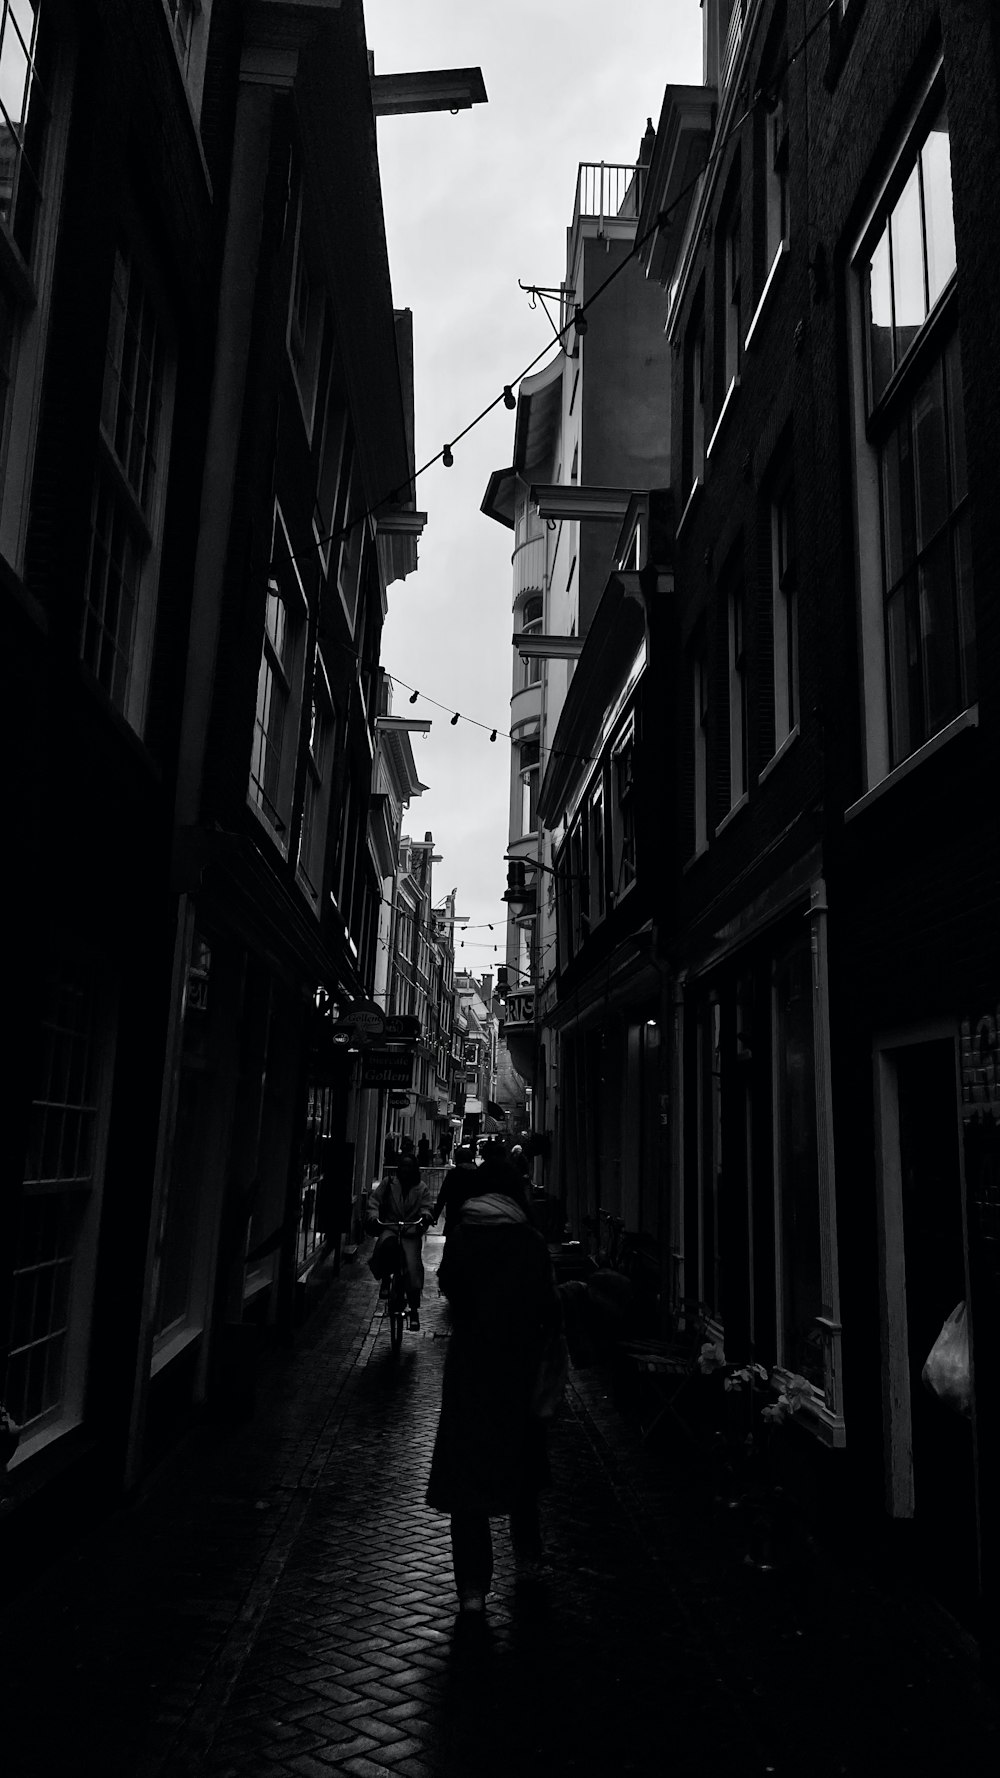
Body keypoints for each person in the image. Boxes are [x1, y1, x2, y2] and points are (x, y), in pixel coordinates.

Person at [427, 1186, 563, 1615]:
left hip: (470, 1368)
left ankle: (471, 1588)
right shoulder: (530, 1242)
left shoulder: (466, 1235)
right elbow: (548, 1306)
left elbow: (447, 1283)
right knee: (521, 1466)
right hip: (518, 1368)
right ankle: (527, 1560)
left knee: (467, 1477)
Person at [366, 1157, 434, 1328]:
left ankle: (414, 1310)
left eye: (409, 1167)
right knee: (386, 1246)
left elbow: (427, 1205)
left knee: (412, 1269)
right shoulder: (388, 1184)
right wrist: (373, 1216)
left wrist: (425, 1216)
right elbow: (374, 1201)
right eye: (402, 1166)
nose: (405, 1170)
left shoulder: (421, 1188)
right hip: (391, 1226)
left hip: (410, 1230)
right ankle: (385, 1280)